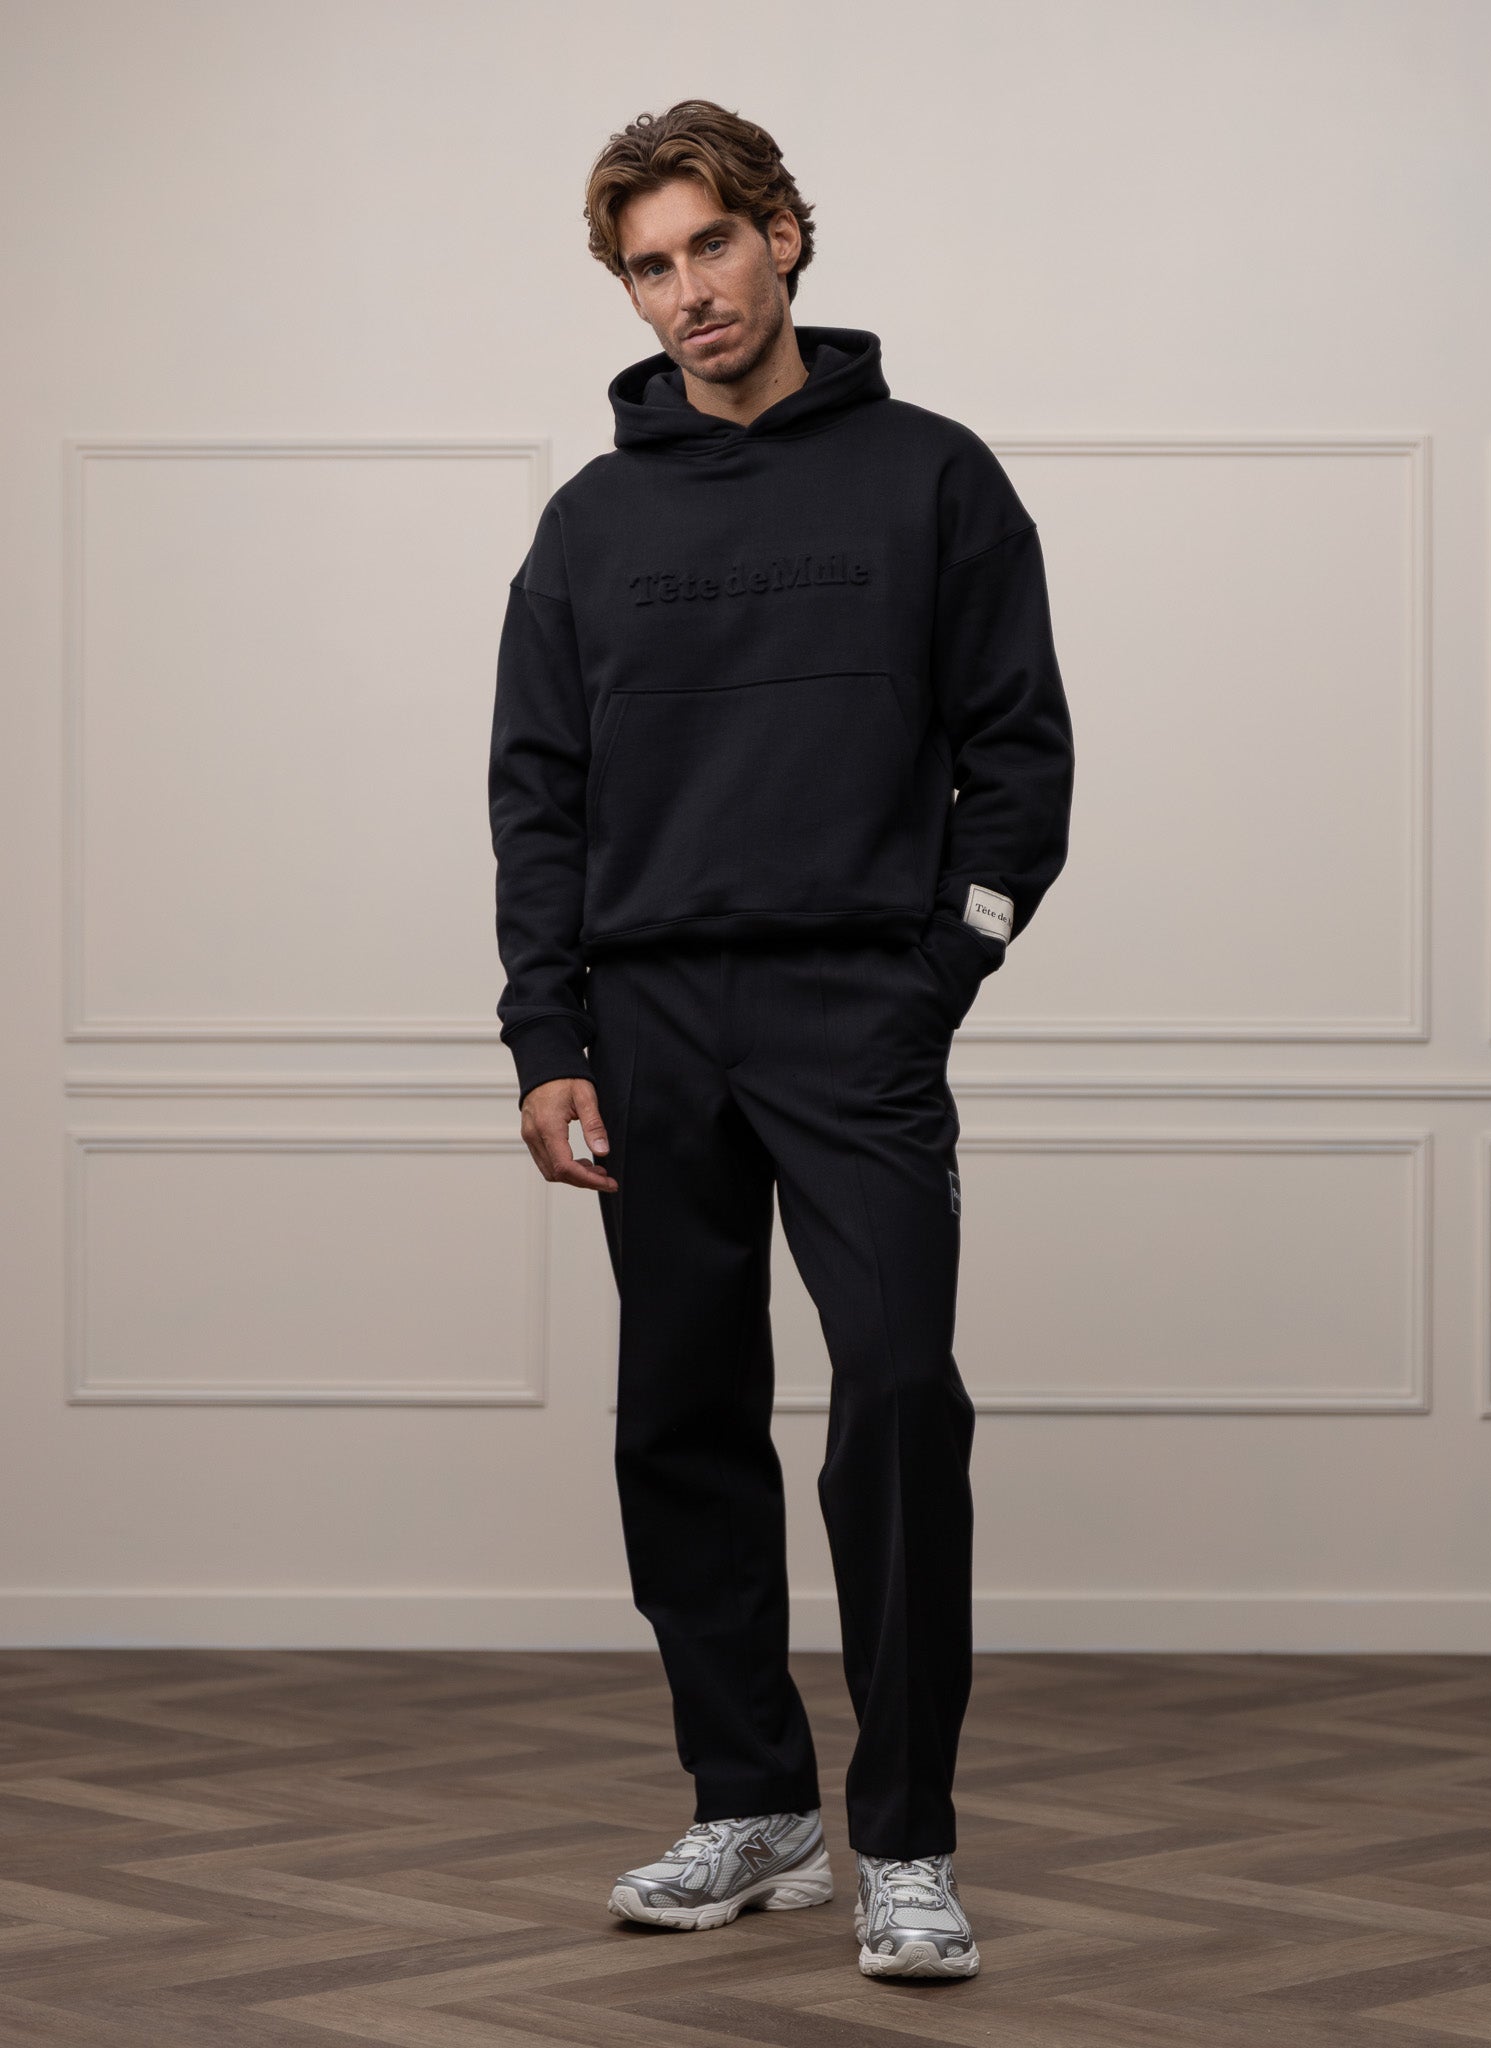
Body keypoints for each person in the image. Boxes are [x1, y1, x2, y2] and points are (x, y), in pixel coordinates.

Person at [488, 97, 1074, 1981]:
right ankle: (754, 1806)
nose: (687, 294)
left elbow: (1020, 761)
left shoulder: (932, 477)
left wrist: (935, 974)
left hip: (852, 1017)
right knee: (681, 1415)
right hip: (648, 1023)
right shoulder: (589, 526)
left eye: (711, 246)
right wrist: (545, 1037)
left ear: (784, 236)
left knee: (895, 1397)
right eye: (648, 268)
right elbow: (538, 802)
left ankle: (905, 1841)